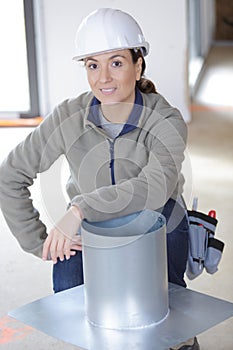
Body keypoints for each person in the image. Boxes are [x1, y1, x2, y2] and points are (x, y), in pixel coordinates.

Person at [0, 8, 199, 350]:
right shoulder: (68, 117)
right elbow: (9, 176)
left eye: (117, 62)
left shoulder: (165, 118)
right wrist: (39, 242)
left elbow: (155, 187)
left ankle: (180, 342)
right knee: (72, 296)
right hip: (92, 229)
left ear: (138, 66)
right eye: (93, 64)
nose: (104, 78)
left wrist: (78, 210)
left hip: (156, 217)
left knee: (164, 305)